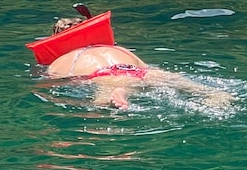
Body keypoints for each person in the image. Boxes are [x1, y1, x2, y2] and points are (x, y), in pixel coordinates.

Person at [38, 16, 234, 109]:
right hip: (135, 70)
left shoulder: (61, 61)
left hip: (104, 75)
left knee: (101, 103)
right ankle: (215, 95)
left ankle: (118, 94)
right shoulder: (118, 49)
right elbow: (145, 67)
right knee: (172, 80)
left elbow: (55, 85)